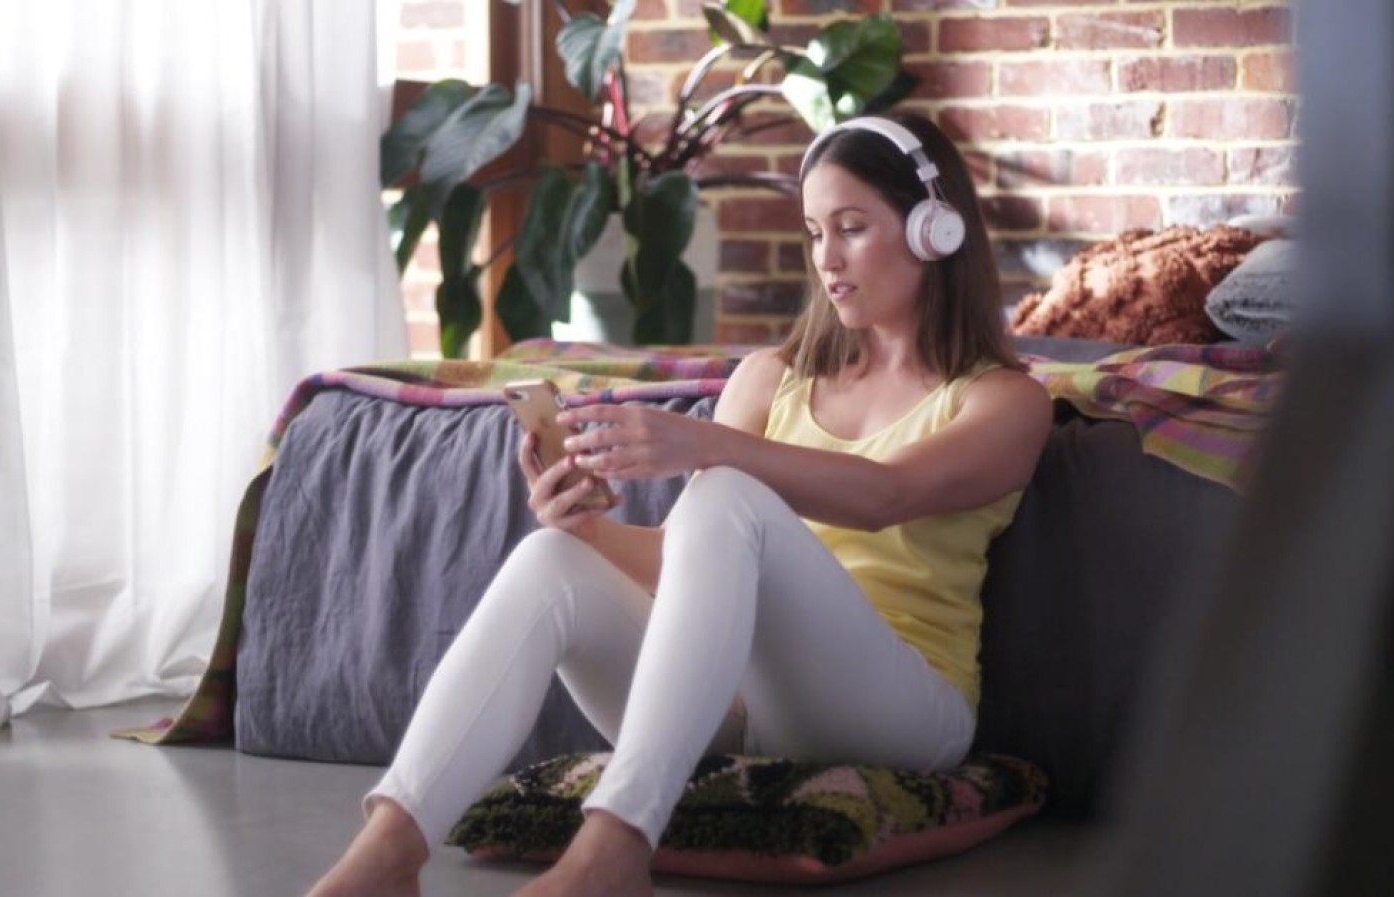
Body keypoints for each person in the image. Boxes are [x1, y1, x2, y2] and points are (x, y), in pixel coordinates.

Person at [305, 111, 1054, 897]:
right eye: (813, 233)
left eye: (852, 228)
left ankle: (618, 844)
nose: (827, 260)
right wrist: (587, 526)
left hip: (902, 712)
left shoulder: (1003, 402)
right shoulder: (773, 377)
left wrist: (709, 448)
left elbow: (883, 494)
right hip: (742, 705)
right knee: (551, 558)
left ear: (934, 230)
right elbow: (683, 564)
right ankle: (388, 849)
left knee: (729, 491)